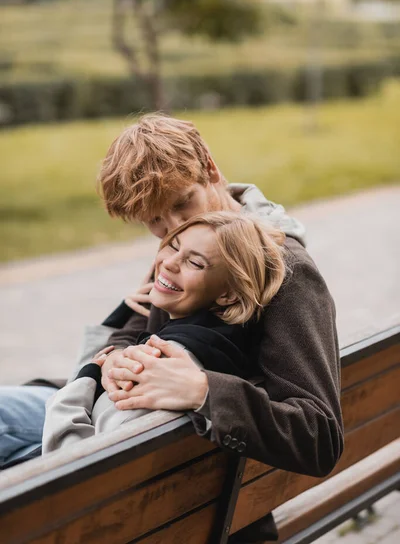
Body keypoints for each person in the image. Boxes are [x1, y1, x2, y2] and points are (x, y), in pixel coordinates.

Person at [0, 114, 343, 542]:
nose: (171, 228)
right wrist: (114, 360)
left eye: (182, 203)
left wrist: (203, 390)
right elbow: (135, 322)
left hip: (154, 454)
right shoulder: (192, 242)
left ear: (211, 169)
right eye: (155, 221)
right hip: (120, 414)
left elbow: (318, 433)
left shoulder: (281, 270)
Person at [42, 212, 286, 452]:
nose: (168, 263)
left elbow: (70, 456)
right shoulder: (227, 349)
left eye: (194, 262)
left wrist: (87, 377)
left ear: (228, 294)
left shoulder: (158, 368)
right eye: (173, 246)